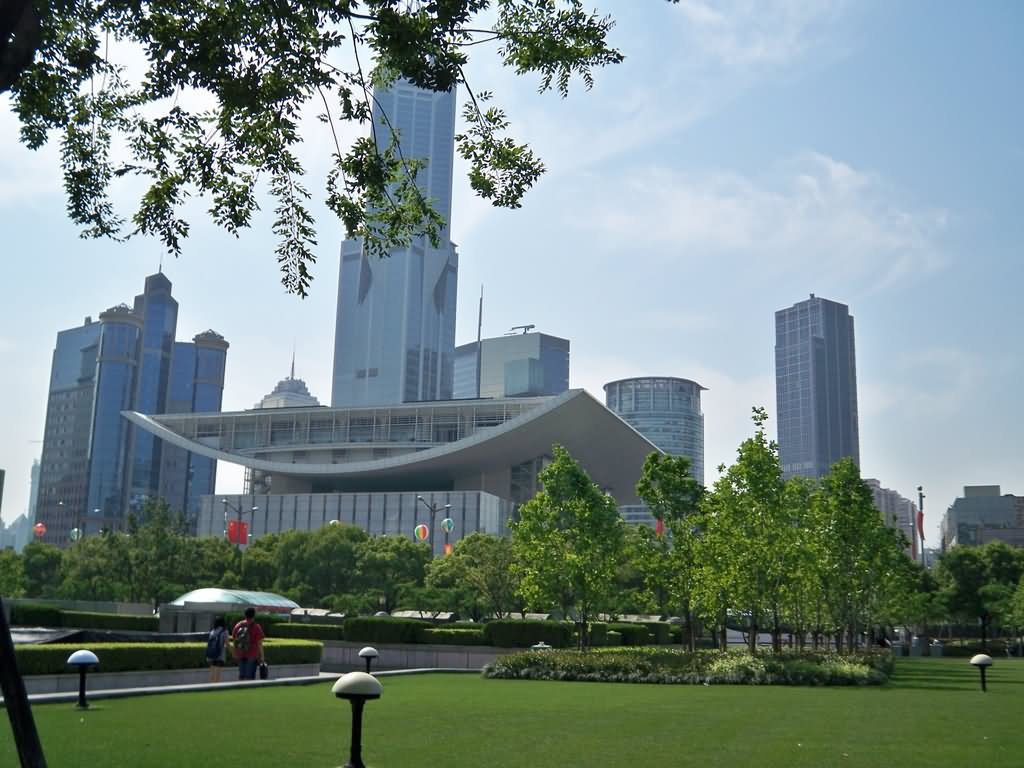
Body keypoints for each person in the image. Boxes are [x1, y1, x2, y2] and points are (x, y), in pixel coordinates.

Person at [231, 607, 266, 680]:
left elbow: (234, 639)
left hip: (240, 653)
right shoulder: (256, 626)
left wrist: (234, 652)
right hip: (252, 653)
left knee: (242, 675)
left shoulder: (238, 625)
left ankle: (240, 689)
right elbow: (259, 643)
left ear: (245, 614)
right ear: (254, 615)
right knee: (250, 676)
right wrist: (262, 656)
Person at [205, 616, 228, 682]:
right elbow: (227, 643)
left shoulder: (212, 631)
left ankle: (211, 688)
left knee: (212, 675)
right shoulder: (224, 631)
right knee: (217, 676)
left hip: (211, 655)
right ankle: (215, 688)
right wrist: (233, 652)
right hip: (219, 655)